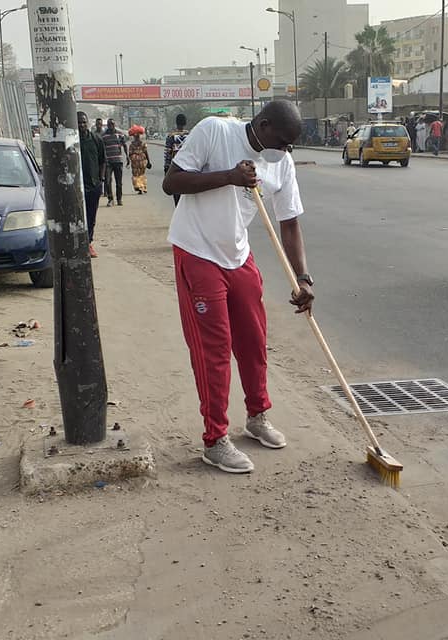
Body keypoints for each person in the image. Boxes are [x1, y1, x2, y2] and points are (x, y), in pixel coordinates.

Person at [161, 100, 314, 474]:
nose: (286, 150)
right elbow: (172, 181)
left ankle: (257, 416)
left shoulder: (282, 162)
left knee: (253, 339)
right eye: (282, 141)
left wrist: (303, 278)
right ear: (262, 126)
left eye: (291, 145)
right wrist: (228, 176)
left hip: (237, 252)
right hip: (197, 250)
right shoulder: (215, 131)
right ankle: (215, 439)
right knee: (213, 349)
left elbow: (290, 223)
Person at [77, 111, 106, 258]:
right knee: (77, 216)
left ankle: (88, 243)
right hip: (76, 187)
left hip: (93, 186)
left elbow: (102, 161)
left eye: (84, 122)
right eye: (79, 122)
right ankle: (77, 244)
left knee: (91, 216)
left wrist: (100, 181)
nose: (82, 125)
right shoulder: (72, 141)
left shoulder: (96, 139)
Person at [102, 119, 128, 205]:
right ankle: (110, 199)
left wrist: (127, 157)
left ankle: (119, 199)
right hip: (108, 162)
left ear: (114, 125)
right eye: (109, 124)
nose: (111, 126)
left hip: (118, 161)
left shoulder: (120, 134)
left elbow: (124, 145)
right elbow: (102, 149)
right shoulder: (104, 136)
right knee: (108, 181)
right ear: (107, 125)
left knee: (119, 182)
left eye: (112, 124)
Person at [166, 114, 190, 204]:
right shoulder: (190, 134)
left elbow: (168, 152)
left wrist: (167, 168)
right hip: (188, 166)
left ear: (176, 123)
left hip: (175, 166)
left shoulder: (171, 136)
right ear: (185, 123)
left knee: (177, 193)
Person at [127, 125, 152, 194]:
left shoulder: (132, 145)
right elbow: (146, 152)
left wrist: (129, 161)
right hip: (142, 161)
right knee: (142, 174)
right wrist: (149, 162)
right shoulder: (143, 144)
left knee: (136, 174)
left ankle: (139, 187)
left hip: (135, 161)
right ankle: (142, 187)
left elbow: (130, 153)